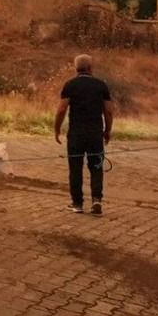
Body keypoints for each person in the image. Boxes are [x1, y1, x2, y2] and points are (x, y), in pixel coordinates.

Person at [54, 54, 113, 216]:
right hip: (95, 134)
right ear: (90, 68)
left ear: (76, 68)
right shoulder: (101, 85)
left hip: (76, 134)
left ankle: (77, 203)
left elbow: (61, 110)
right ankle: (96, 200)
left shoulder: (70, 85)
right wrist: (107, 130)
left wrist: (57, 129)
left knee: (75, 168)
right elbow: (108, 111)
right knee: (96, 167)